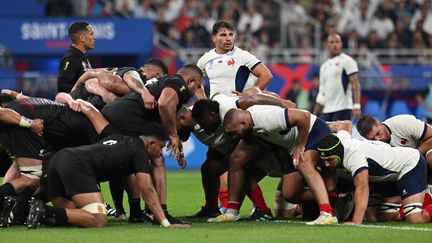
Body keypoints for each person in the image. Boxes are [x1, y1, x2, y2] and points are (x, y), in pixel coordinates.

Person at [26, 101, 188, 229]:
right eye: (160, 147)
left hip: (59, 158)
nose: (160, 153)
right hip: (76, 164)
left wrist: (77, 101)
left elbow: (92, 113)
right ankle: (42, 210)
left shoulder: (116, 135)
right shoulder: (139, 150)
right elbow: (147, 189)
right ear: (151, 143)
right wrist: (165, 222)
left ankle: (25, 210)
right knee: (98, 220)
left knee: (74, 216)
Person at [178, 93, 294, 220]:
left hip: (262, 141)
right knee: (208, 169)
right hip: (239, 146)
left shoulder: (225, 107)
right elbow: (214, 143)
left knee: (237, 160)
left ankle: (247, 210)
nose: (205, 130)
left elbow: (251, 99)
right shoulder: (200, 118)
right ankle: (211, 209)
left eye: (204, 125)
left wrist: (283, 103)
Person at [214, 104, 336, 224]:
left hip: (312, 131)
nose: (234, 136)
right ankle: (331, 193)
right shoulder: (249, 127)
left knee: (304, 163)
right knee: (289, 193)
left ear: (243, 123)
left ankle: (326, 213)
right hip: (290, 146)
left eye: (234, 132)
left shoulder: (266, 118)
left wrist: (300, 145)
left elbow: (304, 116)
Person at [316, 129, 432, 224]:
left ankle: (420, 200)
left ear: (338, 152)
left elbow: (362, 187)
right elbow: (344, 130)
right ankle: (416, 199)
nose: (326, 164)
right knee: (376, 218)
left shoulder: (353, 156)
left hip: (410, 164)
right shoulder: (336, 141)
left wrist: (356, 222)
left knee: (415, 219)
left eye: (330, 160)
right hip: (385, 175)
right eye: (324, 160)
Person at [195, 20, 273, 99]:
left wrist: (250, 94)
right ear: (214, 38)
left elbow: (266, 75)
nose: (228, 38)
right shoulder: (205, 59)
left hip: (235, 106)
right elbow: (196, 83)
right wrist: (204, 101)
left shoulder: (242, 55)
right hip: (214, 107)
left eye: (231, 35)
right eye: (223, 35)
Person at [356, 115, 432, 174]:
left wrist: (415, 154)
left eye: (378, 133)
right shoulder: (373, 145)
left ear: (380, 123)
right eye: (372, 139)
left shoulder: (403, 123)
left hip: (425, 150)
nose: (378, 139)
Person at [313, 33, 362, 121]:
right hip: (327, 110)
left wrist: (356, 105)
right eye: (331, 42)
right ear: (327, 45)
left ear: (341, 44)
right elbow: (322, 93)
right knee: (328, 135)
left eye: (337, 42)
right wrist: (314, 116)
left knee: (342, 135)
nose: (334, 44)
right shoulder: (324, 66)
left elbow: (355, 83)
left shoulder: (348, 61)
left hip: (343, 108)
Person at [57, 22, 95, 93]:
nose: (94, 38)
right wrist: (86, 90)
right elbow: (62, 86)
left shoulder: (82, 57)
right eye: (91, 34)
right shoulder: (71, 58)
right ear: (82, 38)